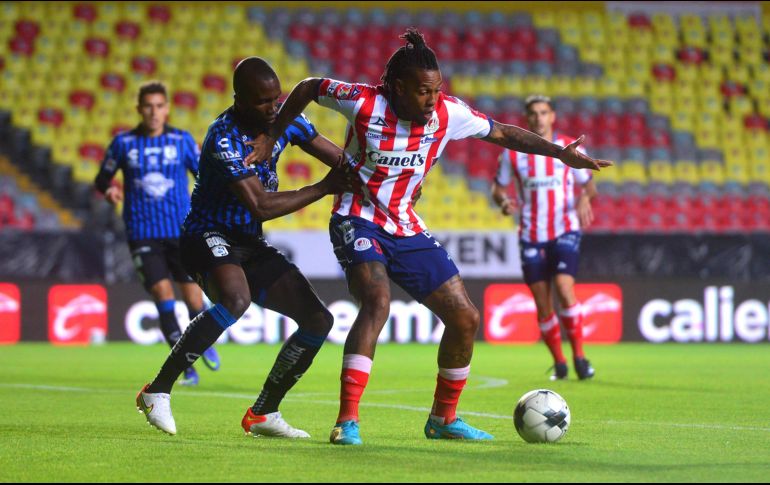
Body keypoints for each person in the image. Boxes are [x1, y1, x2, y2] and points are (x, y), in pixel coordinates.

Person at [245, 29, 612, 445]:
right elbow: (310, 87)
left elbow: (505, 133)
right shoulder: (364, 102)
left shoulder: (448, 114)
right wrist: (274, 135)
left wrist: (558, 152)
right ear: (398, 88)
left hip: (404, 223)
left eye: (436, 91)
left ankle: (443, 419)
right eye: (422, 92)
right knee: (377, 301)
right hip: (357, 216)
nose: (432, 100)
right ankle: (347, 421)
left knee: (465, 317)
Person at [135, 57, 354, 438]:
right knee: (236, 300)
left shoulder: (285, 122)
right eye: (262, 102)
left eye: (277, 99)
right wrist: (322, 187)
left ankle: (264, 412)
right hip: (206, 235)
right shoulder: (223, 137)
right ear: (239, 100)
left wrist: (382, 175)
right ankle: (157, 390)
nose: (273, 108)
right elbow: (262, 205)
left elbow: (340, 158)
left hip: (248, 243)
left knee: (319, 319)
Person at [95, 81, 220, 387]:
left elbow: (204, 174)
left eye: (159, 106)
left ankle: (204, 342)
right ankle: (185, 366)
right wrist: (109, 188)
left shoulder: (181, 140)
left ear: (167, 109)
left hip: (182, 232)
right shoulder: (123, 143)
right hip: (142, 234)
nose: (154, 112)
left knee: (193, 297)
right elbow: (102, 178)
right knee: (163, 295)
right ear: (139, 109)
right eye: (148, 106)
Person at [491, 94, 597, 381]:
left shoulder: (569, 147)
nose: (538, 117)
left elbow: (589, 185)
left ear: (552, 117)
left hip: (565, 228)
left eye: (543, 112)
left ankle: (579, 357)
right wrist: (503, 202)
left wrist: (585, 199)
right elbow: (498, 189)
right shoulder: (512, 153)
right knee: (542, 302)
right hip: (531, 233)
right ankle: (560, 362)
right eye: (533, 113)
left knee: (564, 289)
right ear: (527, 119)